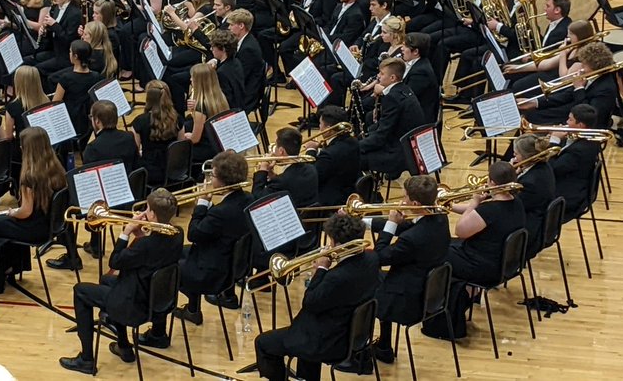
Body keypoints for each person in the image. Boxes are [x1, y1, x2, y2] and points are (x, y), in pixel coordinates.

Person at [59, 188, 184, 374]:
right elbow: (147, 258)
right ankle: (123, 346)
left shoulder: (145, 246)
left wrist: (125, 234)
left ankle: (86, 359)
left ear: (152, 214)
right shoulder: (178, 233)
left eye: (147, 209)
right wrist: (140, 235)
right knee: (106, 279)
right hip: (156, 298)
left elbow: (115, 261)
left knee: (80, 290)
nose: (143, 212)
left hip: (134, 305)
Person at [254, 213, 380, 381]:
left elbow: (310, 302)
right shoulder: (372, 258)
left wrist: (320, 270)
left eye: (331, 241)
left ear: (338, 243)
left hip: (326, 340)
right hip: (349, 331)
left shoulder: (337, 277)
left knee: (263, 343)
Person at [157, 150, 251, 329]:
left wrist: (201, 204)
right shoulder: (246, 198)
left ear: (223, 180)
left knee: (164, 266)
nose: (210, 179)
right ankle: (192, 310)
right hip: (229, 260)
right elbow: (215, 228)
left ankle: (158, 330)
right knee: (178, 251)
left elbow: (194, 234)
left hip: (214, 272)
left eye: (213, 175)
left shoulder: (221, 212)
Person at [370, 174, 449, 362]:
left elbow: (379, 257)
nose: (401, 201)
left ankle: (373, 347)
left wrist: (390, 223)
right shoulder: (440, 217)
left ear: (414, 204)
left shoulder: (412, 240)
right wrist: (362, 223)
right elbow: (407, 227)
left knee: (361, 282)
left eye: (404, 197)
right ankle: (383, 344)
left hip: (408, 299)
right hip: (428, 287)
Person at [0, 127, 67, 294]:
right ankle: (13, 265)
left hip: (33, 230)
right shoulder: (57, 168)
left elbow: (25, 212)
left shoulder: (30, 177)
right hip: (49, 226)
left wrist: (12, 213)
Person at [446, 160, 525, 285]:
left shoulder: (490, 210)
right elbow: (474, 215)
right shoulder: (516, 202)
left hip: (482, 267)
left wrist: (474, 201)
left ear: (492, 182)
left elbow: (460, 231)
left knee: (435, 251)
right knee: (447, 244)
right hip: (501, 261)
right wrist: (450, 206)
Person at [359, 58, 427, 177]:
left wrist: (356, 146)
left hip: (400, 153)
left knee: (355, 157)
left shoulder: (392, 98)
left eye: (382, 73)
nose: (378, 76)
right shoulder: (403, 88)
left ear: (392, 78)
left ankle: (365, 192)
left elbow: (382, 135)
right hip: (407, 145)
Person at [551, 105, 602, 221]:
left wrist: (554, 140)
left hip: (567, 197)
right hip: (574, 186)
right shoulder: (588, 139)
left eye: (570, 119)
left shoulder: (579, 150)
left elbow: (553, 169)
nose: (566, 122)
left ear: (580, 125)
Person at [510, 134, 556, 261]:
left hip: (527, 232)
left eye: (516, 154)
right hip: (535, 219)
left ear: (526, 157)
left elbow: (511, 206)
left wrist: (505, 180)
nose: (514, 157)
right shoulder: (543, 167)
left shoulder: (531, 182)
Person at [130, 80, 179, 185]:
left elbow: (135, 151)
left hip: (149, 172)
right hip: (174, 170)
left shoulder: (140, 121)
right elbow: (180, 145)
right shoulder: (177, 118)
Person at [51, 40, 104, 137]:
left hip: (72, 120)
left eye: (70, 52)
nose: (69, 54)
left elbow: (55, 103)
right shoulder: (97, 76)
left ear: (75, 57)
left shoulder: (65, 78)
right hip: (90, 120)